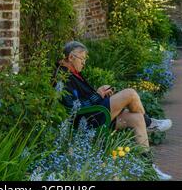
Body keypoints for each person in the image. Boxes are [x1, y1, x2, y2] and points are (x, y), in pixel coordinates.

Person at [54, 40, 173, 181]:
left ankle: (149, 167)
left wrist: (100, 93)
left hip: (96, 113)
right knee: (130, 93)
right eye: (82, 58)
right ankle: (150, 124)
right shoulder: (62, 77)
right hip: (88, 120)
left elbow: (85, 99)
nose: (84, 63)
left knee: (137, 119)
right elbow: (76, 108)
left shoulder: (74, 73)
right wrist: (98, 95)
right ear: (71, 57)